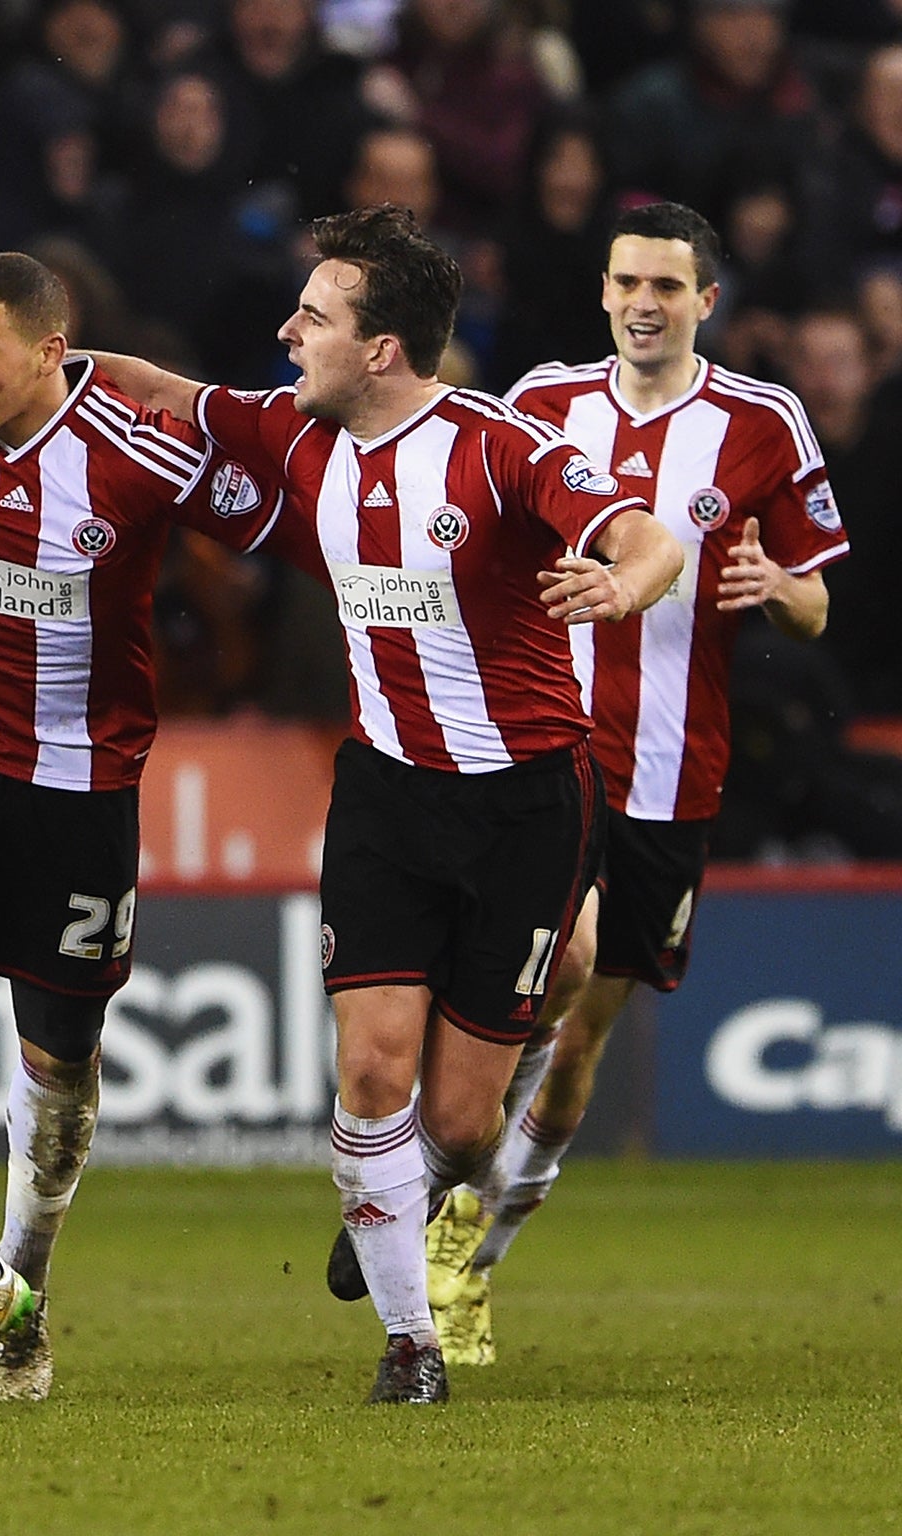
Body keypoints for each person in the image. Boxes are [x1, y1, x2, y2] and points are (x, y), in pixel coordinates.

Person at [90, 204, 682, 1403]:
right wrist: (23, 357)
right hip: (380, 798)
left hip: (524, 806)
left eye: (311, 317)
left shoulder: (496, 447)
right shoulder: (291, 433)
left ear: (379, 349)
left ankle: (397, 1190)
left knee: (459, 1127)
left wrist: (621, 589)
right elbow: (158, 386)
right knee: (368, 1074)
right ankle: (409, 1346)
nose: (285, 331)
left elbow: (646, 533)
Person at [0, 251, 272, 1401]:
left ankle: (25, 1282)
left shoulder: (132, 450)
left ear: (49, 349)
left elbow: (274, 511)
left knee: (57, 1062)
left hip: (79, 788)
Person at [425, 202, 848, 1365]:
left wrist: (774, 584)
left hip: (671, 772)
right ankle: (430, 1172)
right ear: (603, 293)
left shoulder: (761, 421)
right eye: (625, 283)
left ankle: (469, 1248)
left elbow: (820, 603)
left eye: (666, 285)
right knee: (543, 975)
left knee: (572, 1059)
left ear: (705, 301)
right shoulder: (543, 406)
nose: (642, 304)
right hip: (539, 754)